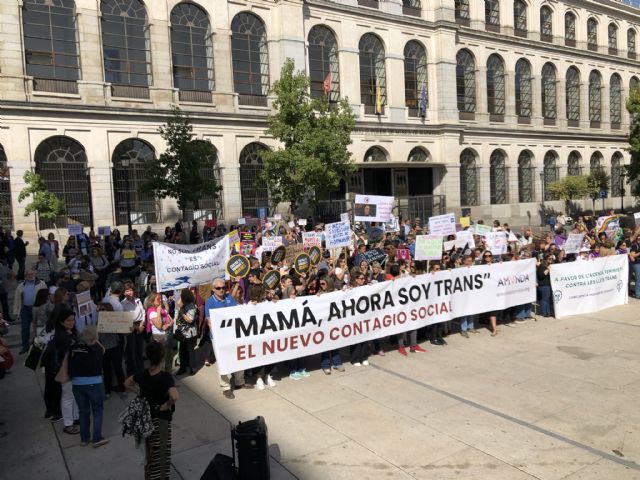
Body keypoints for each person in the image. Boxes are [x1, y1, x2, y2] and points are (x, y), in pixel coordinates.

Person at [125, 341, 178, 480]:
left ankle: (149, 476)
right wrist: (166, 405)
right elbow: (174, 396)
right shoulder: (166, 377)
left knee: (149, 451)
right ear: (162, 357)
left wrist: (138, 392)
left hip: (145, 420)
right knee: (161, 453)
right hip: (160, 420)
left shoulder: (142, 374)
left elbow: (127, 383)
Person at [206, 278, 253, 399]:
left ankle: (239, 382)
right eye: (218, 288)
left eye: (224, 287)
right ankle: (226, 387)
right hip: (219, 338)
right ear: (213, 289)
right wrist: (217, 336)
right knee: (224, 362)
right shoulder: (210, 302)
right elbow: (209, 321)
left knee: (239, 358)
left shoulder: (229, 298)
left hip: (233, 335)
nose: (222, 290)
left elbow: (237, 311)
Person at [69, 326, 108, 447]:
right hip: (94, 383)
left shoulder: (73, 349)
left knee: (83, 411)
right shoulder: (96, 349)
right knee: (97, 410)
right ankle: (97, 438)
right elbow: (103, 350)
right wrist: (96, 341)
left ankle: (84, 439)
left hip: (77, 384)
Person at [52, 308, 80, 434]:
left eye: (73, 320)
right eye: (68, 320)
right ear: (61, 322)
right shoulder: (62, 336)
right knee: (68, 397)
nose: (71, 322)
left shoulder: (70, 333)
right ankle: (68, 424)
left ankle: (75, 418)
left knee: (73, 395)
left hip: (73, 369)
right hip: (66, 370)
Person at [14, 269, 48, 353]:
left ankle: (38, 346)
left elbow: (45, 297)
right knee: (25, 329)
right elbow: (17, 299)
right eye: (28, 274)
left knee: (38, 328)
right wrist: (16, 312)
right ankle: (25, 347)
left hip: (37, 309)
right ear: (25, 276)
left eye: (32, 274)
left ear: (35, 274)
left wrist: (44, 309)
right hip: (25, 309)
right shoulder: (21, 286)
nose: (30, 275)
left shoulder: (42, 284)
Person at [122, 282, 146, 376]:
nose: (129, 292)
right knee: (131, 352)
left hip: (140, 325)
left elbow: (143, 312)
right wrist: (137, 327)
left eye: (131, 290)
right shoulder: (123, 304)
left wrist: (141, 324)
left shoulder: (138, 300)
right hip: (130, 328)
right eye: (127, 291)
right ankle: (132, 374)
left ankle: (141, 371)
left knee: (139, 351)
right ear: (124, 293)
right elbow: (124, 319)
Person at [145, 292, 173, 373]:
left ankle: (168, 377)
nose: (160, 300)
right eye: (158, 299)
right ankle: (159, 379)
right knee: (160, 360)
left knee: (169, 357)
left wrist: (167, 325)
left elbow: (171, 320)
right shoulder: (152, 312)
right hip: (158, 337)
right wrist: (158, 312)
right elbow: (159, 325)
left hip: (167, 335)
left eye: (160, 298)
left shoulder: (163, 310)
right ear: (152, 301)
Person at [175, 288, 198, 376]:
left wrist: (183, 314)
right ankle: (183, 368)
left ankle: (192, 368)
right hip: (183, 332)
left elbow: (190, 320)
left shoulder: (191, 306)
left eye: (182, 296)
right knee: (182, 350)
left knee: (190, 350)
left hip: (190, 332)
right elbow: (178, 302)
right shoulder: (184, 304)